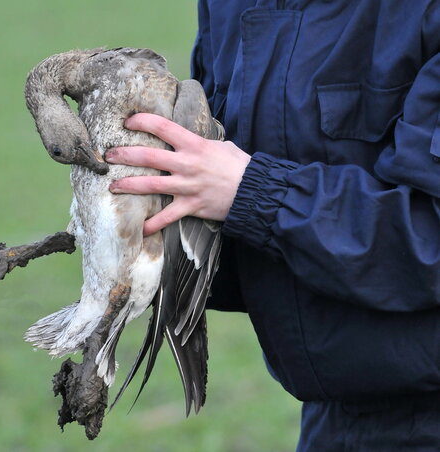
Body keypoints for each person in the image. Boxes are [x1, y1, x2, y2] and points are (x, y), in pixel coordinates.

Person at [105, 1, 440, 450]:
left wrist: (253, 193)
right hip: (332, 418)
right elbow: (219, 196)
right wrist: (145, 208)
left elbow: (429, 236)